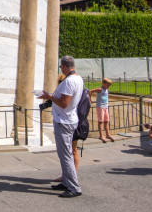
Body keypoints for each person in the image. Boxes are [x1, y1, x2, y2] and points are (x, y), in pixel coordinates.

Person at [39, 56, 83, 198]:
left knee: (65, 155)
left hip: (64, 121)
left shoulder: (69, 81)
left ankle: (74, 187)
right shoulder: (78, 78)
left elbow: (64, 103)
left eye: (61, 67)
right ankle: (66, 181)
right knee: (65, 154)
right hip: (68, 120)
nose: (61, 69)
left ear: (64, 66)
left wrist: (49, 96)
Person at [89, 78, 114, 143]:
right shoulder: (100, 89)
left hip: (105, 107)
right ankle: (101, 135)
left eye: (109, 85)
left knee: (106, 121)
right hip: (100, 107)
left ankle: (108, 134)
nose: (109, 86)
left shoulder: (106, 89)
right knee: (100, 122)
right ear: (103, 83)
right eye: (108, 85)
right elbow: (90, 91)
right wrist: (90, 100)